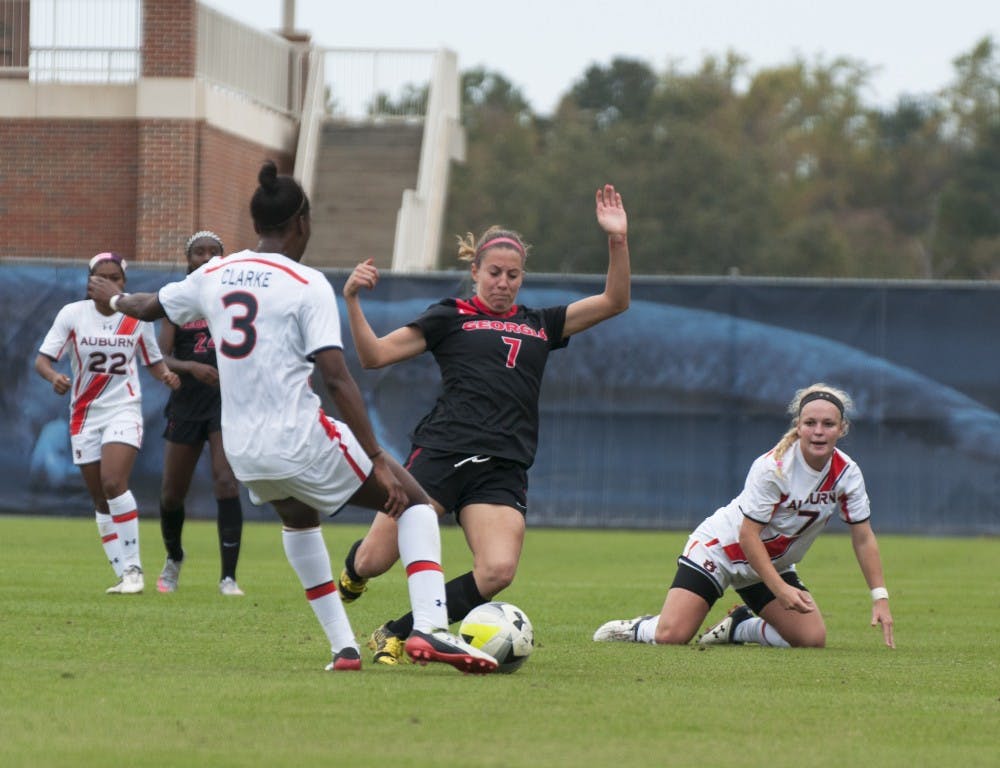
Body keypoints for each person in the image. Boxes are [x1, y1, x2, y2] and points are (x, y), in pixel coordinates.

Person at [87, 160, 497, 674]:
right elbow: (337, 377)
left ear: (257, 224)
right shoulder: (306, 283)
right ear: (301, 221)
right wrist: (377, 458)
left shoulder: (213, 272)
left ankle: (343, 649)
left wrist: (114, 296)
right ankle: (433, 629)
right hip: (300, 436)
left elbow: (150, 306)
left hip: (245, 451)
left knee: (299, 521)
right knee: (414, 504)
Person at [336, 184, 631, 664]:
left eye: (513, 275)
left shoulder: (541, 323)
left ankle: (397, 631)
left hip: (502, 466)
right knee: (374, 559)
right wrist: (351, 300)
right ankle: (354, 573)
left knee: (497, 570)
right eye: (494, 273)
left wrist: (617, 240)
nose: (503, 283)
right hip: (441, 454)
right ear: (474, 272)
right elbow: (373, 357)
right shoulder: (450, 316)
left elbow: (615, 300)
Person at [592, 383, 896, 650]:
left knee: (812, 639)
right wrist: (779, 588)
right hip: (721, 550)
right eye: (811, 422)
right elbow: (747, 535)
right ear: (798, 425)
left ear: (842, 428)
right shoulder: (774, 468)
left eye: (828, 424)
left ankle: (739, 627)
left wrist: (879, 596)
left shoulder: (847, 474)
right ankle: (637, 628)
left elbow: (863, 537)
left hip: (768, 564)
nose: (818, 431)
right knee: (673, 635)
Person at [35, 252, 181, 594]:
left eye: (115, 277)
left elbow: (153, 361)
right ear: (89, 281)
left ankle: (135, 570)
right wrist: (53, 376)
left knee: (114, 481)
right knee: (100, 498)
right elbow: (42, 360)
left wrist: (167, 376)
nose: (107, 282)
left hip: (124, 410)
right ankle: (123, 574)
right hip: (84, 415)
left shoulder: (136, 318)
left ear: (124, 283)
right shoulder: (72, 314)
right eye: (101, 276)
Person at [155, 231, 245, 596]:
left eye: (214, 252)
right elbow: (162, 355)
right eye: (199, 252)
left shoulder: (236, 299)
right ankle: (174, 558)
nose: (207, 257)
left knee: (225, 481)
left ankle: (228, 578)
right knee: (172, 494)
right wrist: (191, 368)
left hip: (225, 402)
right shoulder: (180, 299)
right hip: (187, 402)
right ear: (188, 259)